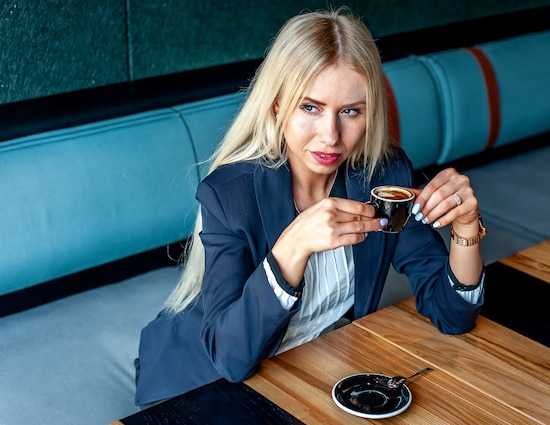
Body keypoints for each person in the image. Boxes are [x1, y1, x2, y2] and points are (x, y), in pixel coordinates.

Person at [135, 7, 485, 407]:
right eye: (310, 107)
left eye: (350, 111)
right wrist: (292, 248)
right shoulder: (229, 194)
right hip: (201, 381)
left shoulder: (382, 177)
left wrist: (466, 229)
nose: (331, 136)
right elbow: (231, 359)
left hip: (310, 366)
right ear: (279, 103)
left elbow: (453, 314)